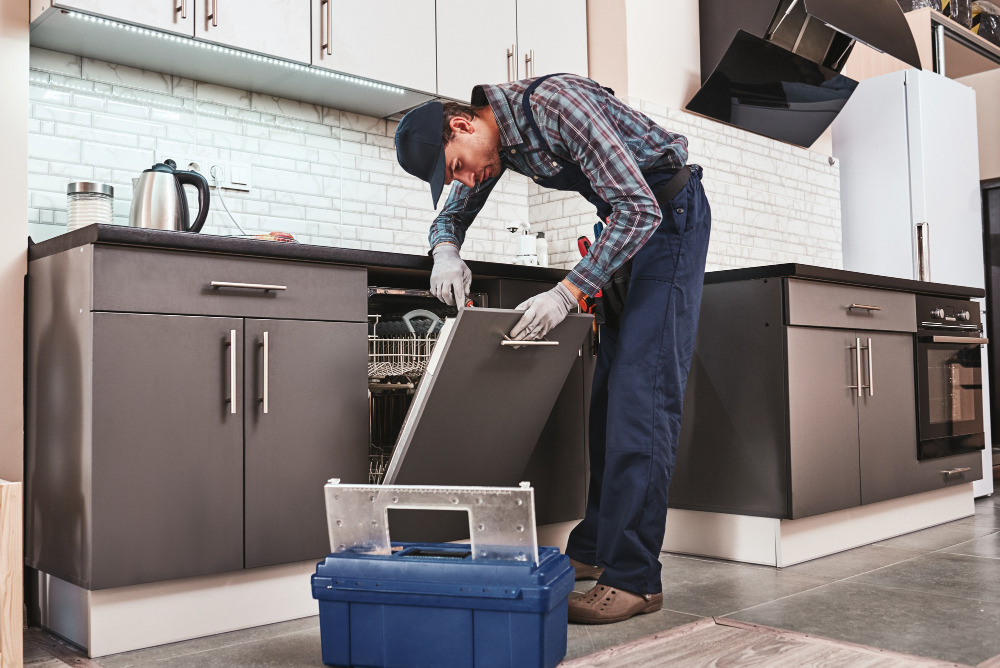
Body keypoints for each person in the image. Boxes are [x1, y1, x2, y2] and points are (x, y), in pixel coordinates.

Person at [394, 73, 712, 625]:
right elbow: (454, 213)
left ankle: (634, 578)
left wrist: (569, 293)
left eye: (456, 166)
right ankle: (594, 547)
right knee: (611, 397)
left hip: (667, 219)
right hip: (629, 232)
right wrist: (445, 249)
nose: (465, 179)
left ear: (462, 124)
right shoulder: (498, 144)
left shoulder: (555, 106)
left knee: (644, 397)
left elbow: (640, 208)